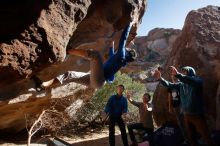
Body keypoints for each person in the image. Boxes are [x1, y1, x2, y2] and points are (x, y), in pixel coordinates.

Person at [32, 22, 137, 91]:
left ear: (128, 54)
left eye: (129, 50)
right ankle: (43, 85)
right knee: (69, 75)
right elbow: (111, 56)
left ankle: (68, 50)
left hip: (99, 80)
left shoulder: (122, 56)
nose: (127, 48)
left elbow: (123, 39)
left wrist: (129, 24)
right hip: (95, 81)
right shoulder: (119, 58)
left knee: (95, 56)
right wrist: (111, 46)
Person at [154, 66, 216, 146]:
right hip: (187, 115)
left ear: (190, 73)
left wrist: (178, 75)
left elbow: (190, 80)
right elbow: (170, 85)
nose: (183, 73)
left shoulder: (197, 81)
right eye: (182, 72)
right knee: (191, 137)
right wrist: (160, 79)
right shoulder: (181, 84)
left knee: (206, 136)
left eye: (185, 72)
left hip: (197, 115)